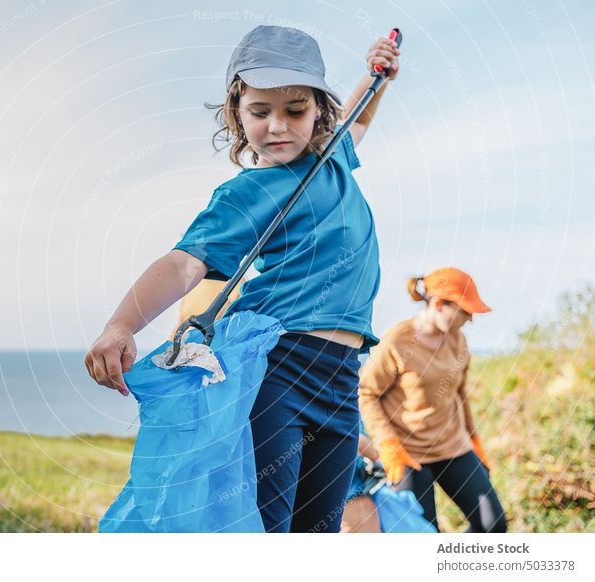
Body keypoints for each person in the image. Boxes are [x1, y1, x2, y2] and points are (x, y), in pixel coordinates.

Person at [85, 24, 400, 533]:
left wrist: (378, 75)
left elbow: (355, 121)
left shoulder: (332, 157)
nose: (277, 125)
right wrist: (121, 325)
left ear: (319, 110)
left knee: (319, 533)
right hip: (280, 371)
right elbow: (186, 262)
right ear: (237, 112)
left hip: (343, 378)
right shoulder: (250, 190)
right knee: (265, 532)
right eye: (260, 112)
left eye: (294, 110)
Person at [358, 267, 508, 532]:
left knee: (492, 524)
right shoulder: (397, 340)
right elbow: (367, 394)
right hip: (408, 454)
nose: (470, 319)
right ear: (438, 304)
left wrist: (473, 440)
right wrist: (388, 445)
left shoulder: (458, 341)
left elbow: (459, 395)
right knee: (423, 535)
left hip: (453, 447)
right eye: (464, 311)